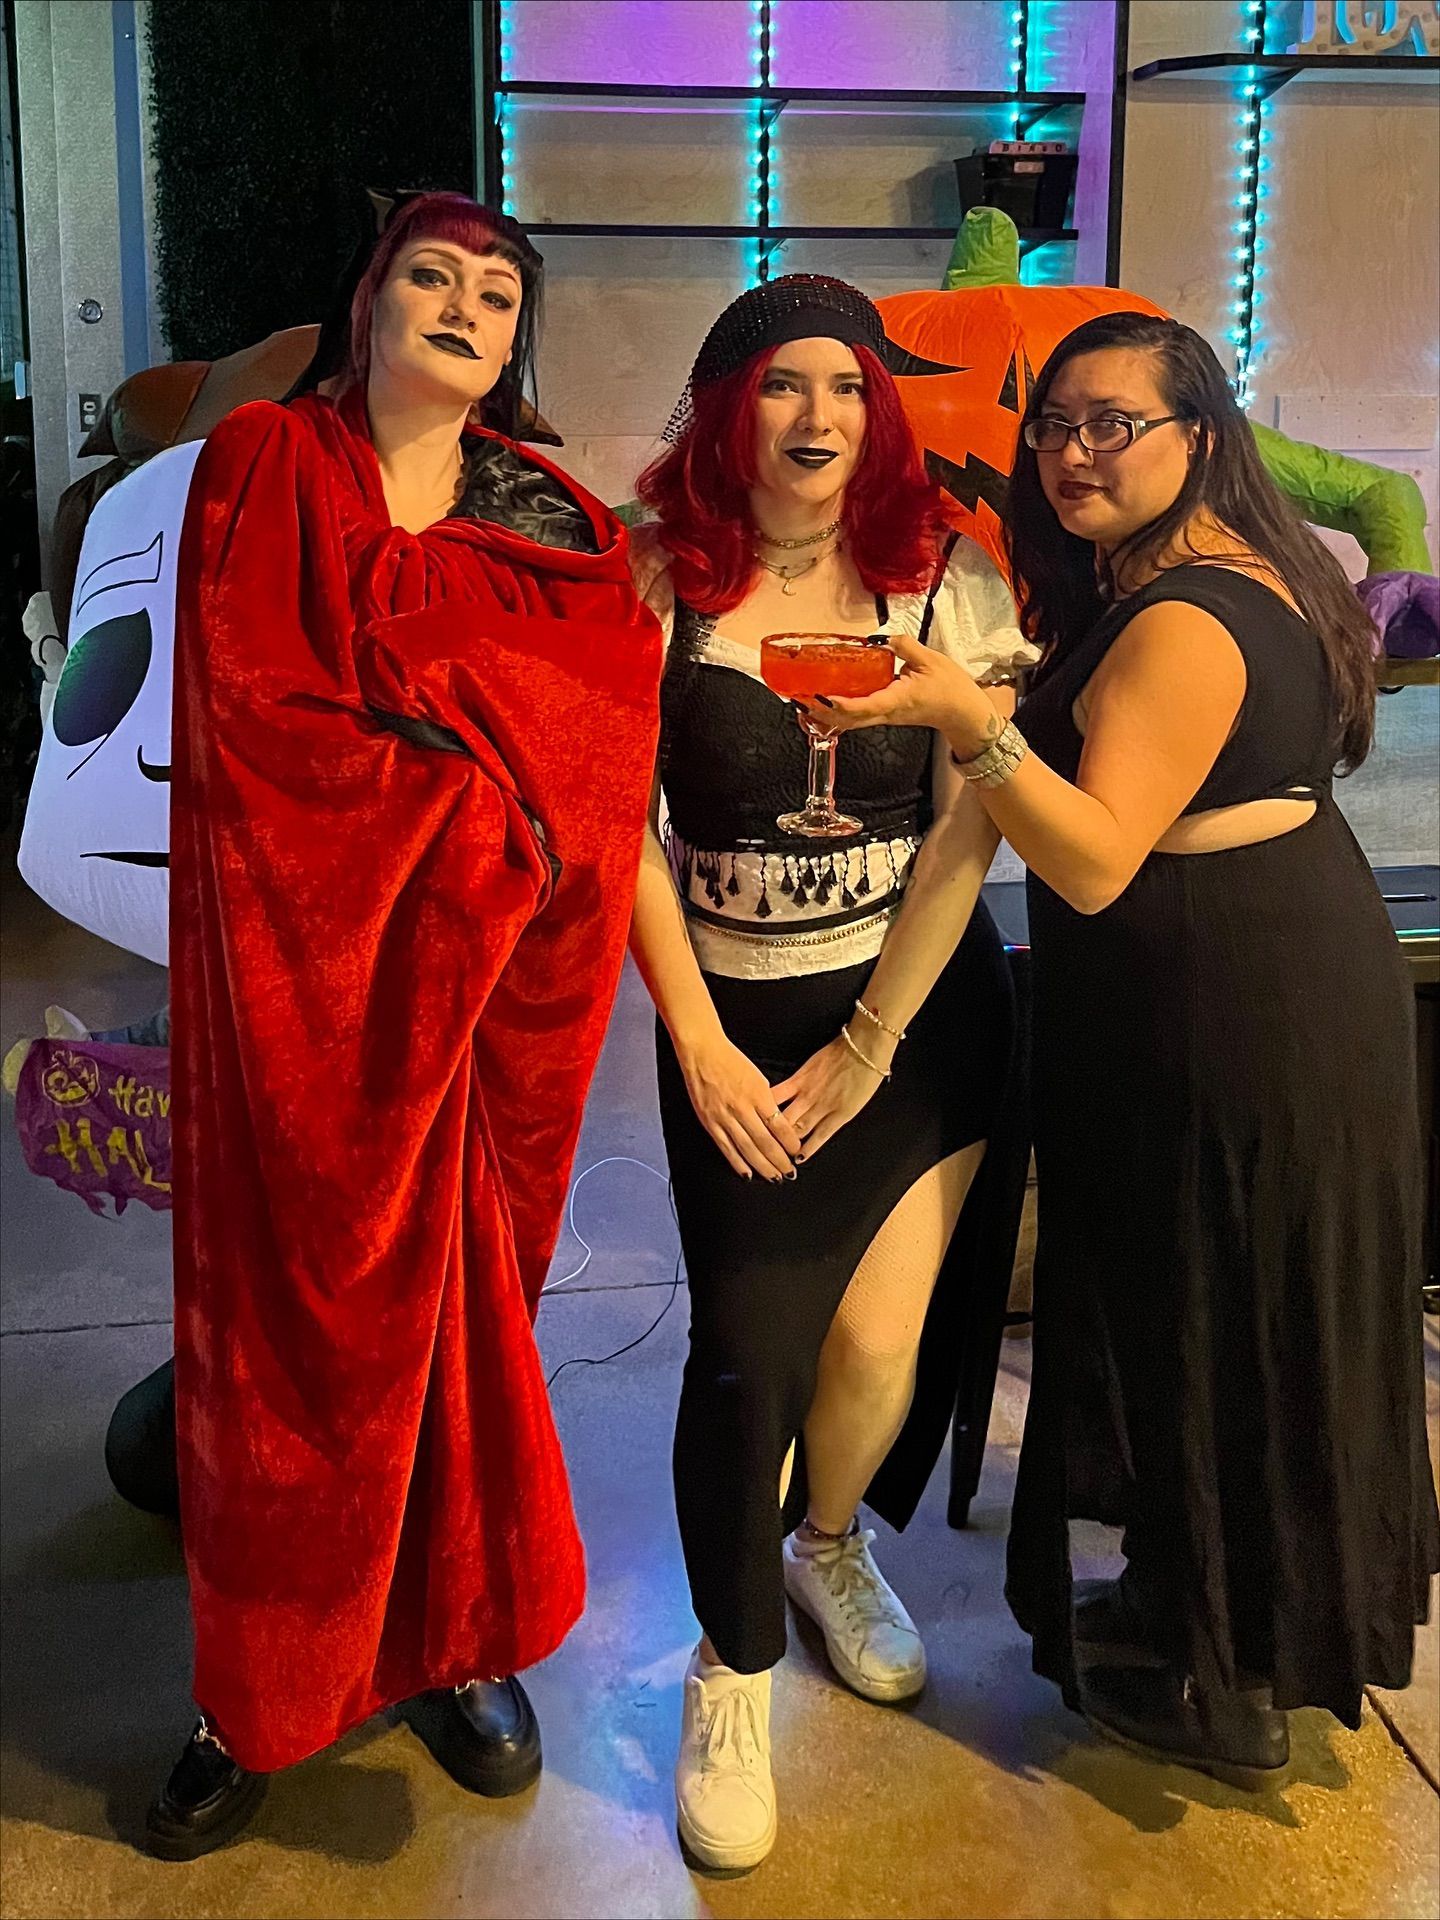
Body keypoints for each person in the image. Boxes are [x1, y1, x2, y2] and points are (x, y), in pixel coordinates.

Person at [823, 310, 1440, 1791]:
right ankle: (1210, 1613)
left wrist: (974, 721)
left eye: (1115, 423)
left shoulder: (1180, 616)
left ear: (1199, 433)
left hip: (1229, 1008)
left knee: (1211, 1308)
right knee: (1231, 1305)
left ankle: (1226, 1678)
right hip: (1269, 974)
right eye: (1056, 425)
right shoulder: (1225, 570)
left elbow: (1092, 861)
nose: (1072, 451)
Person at [148, 192, 662, 1858]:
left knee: (467, 1332)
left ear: (518, 341)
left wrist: (507, 827)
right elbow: (260, 723)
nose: (463, 304)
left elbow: (597, 743)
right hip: (307, 995)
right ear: (368, 304)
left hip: (495, 1008)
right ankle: (257, 1690)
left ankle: (449, 1644)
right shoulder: (265, 474)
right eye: (431, 276)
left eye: (497, 290)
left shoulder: (559, 524)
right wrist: (472, 823)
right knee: (290, 1342)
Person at [627, 275, 1036, 1872]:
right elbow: (618, 830)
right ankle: (729, 1671)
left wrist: (872, 1044)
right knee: (743, 1358)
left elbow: (971, 817)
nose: (818, 419)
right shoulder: (651, 577)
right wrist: (701, 1041)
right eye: (784, 386)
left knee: (874, 1350)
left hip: (918, 1015)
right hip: (735, 1023)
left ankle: (828, 1547)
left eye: (850, 389)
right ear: (729, 406)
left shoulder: (942, 578)